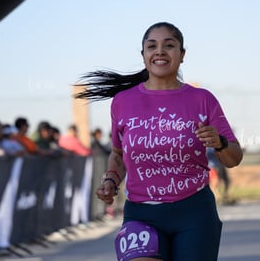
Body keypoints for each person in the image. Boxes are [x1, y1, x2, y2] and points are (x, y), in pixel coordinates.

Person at [75, 22, 243, 261]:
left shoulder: (202, 99)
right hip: (140, 214)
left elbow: (234, 158)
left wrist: (220, 143)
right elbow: (118, 153)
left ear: (182, 55)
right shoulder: (123, 101)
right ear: (143, 55)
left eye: (170, 45)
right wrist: (111, 179)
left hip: (194, 212)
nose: (160, 51)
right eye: (152, 46)